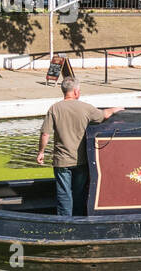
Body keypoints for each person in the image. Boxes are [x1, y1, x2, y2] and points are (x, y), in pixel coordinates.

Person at [36, 78, 123, 217]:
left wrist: (41, 152)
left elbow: (45, 133)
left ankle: (65, 222)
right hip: (81, 160)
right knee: (79, 193)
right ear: (76, 91)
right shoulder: (85, 108)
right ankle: (79, 220)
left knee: (64, 194)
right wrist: (114, 109)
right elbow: (104, 115)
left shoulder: (54, 108)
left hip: (61, 161)